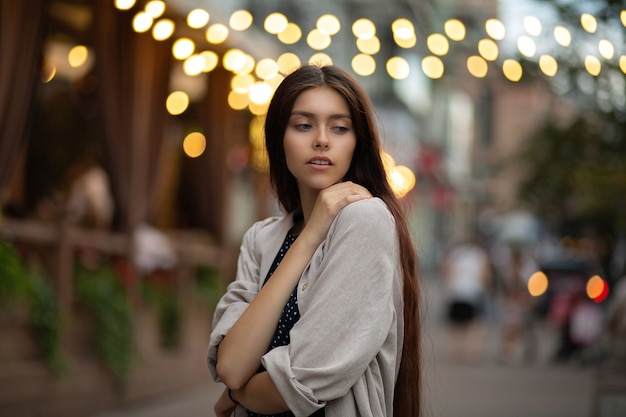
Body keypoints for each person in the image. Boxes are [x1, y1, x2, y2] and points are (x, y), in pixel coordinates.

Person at [207, 64, 421, 417]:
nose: (321, 139)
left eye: (339, 128)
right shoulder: (262, 238)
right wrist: (310, 236)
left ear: (357, 144)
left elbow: (299, 384)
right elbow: (230, 366)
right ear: (279, 139)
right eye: (304, 125)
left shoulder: (366, 220)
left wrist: (234, 395)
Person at [440, 238, 493, 363]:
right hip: (473, 293)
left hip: (456, 292)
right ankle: (472, 353)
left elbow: (446, 271)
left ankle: (455, 351)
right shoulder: (480, 255)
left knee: (456, 324)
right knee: (474, 324)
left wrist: (448, 287)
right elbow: (486, 275)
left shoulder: (455, 254)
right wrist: (487, 289)